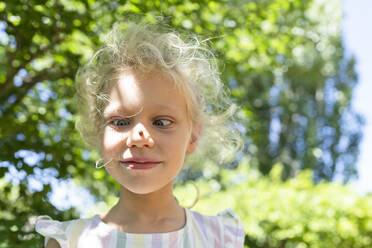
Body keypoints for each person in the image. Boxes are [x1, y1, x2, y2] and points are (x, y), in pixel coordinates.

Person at [35, 19, 245, 248]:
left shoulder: (221, 238)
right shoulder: (69, 240)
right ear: (100, 132)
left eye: (162, 122)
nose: (138, 137)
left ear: (193, 136)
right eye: (121, 122)